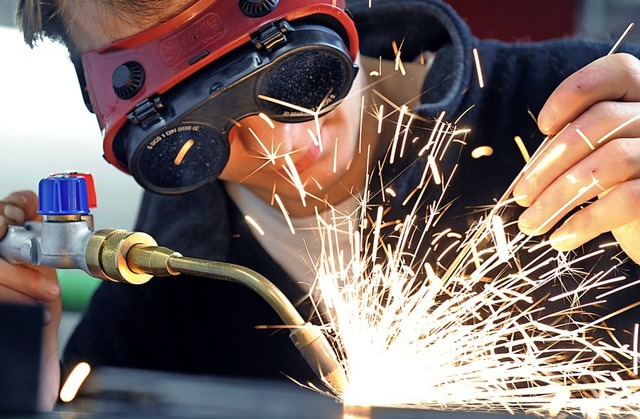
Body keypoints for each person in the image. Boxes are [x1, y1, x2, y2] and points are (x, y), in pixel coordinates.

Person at [2, 0, 640, 410]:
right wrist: (22, 359)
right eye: (203, 123)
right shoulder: (164, 274)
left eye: (298, 75)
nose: (288, 139)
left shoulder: (588, 117)